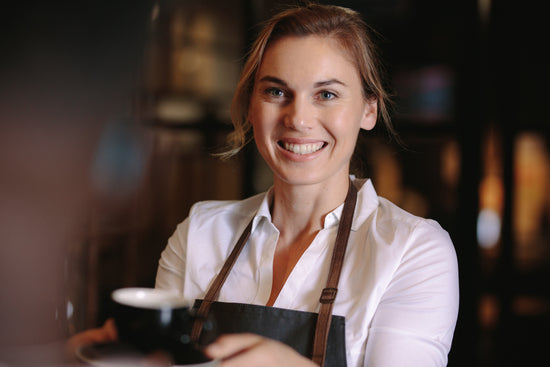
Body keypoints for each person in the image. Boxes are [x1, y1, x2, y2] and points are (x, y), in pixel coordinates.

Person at [69, 2, 459, 367]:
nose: (298, 118)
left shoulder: (413, 251)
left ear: (368, 110)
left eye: (326, 94)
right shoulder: (199, 233)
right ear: (251, 106)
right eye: (276, 92)